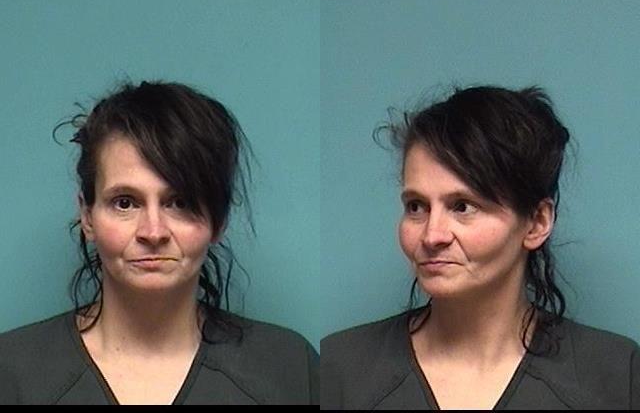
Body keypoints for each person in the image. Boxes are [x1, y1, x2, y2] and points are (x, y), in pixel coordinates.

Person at [321, 85, 639, 409]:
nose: (432, 236)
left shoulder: (615, 376)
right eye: (416, 206)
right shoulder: (340, 370)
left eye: (463, 206)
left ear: (536, 222)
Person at [0, 81, 318, 405]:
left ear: (219, 220)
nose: (153, 232)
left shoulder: (290, 368)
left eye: (180, 202)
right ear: (87, 215)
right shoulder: (10, 373)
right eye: (125, 203)